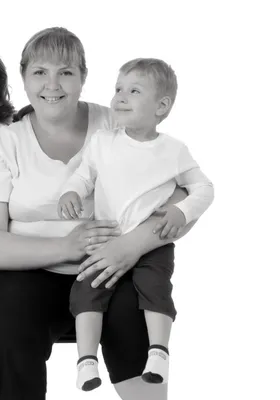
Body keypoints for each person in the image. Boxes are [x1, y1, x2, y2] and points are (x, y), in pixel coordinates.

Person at [0, 27, 200, 400]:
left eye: (66, 72)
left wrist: (131, 247)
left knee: (134, 311)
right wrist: (67, 246)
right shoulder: (3, 144)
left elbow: (184, 199)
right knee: (6, 324)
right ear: (24, 79)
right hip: (28, 271)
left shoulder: (117, 125)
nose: (52, 84)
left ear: (83, 78)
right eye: (40, 72)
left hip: (113, 267)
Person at [58, 58, 214, 390]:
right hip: (105, 241)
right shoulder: (104, 142)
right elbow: (83, 176)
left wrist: (182, 211)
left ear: (161, 106)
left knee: (155, 290)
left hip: (151, 247)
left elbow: (204, 189)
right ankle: (86, 361)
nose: (121, 97)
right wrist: (71, 192)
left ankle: (158, 352)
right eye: (118, 89)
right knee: (86, 289)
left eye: (134, 91)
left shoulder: (173, 150)